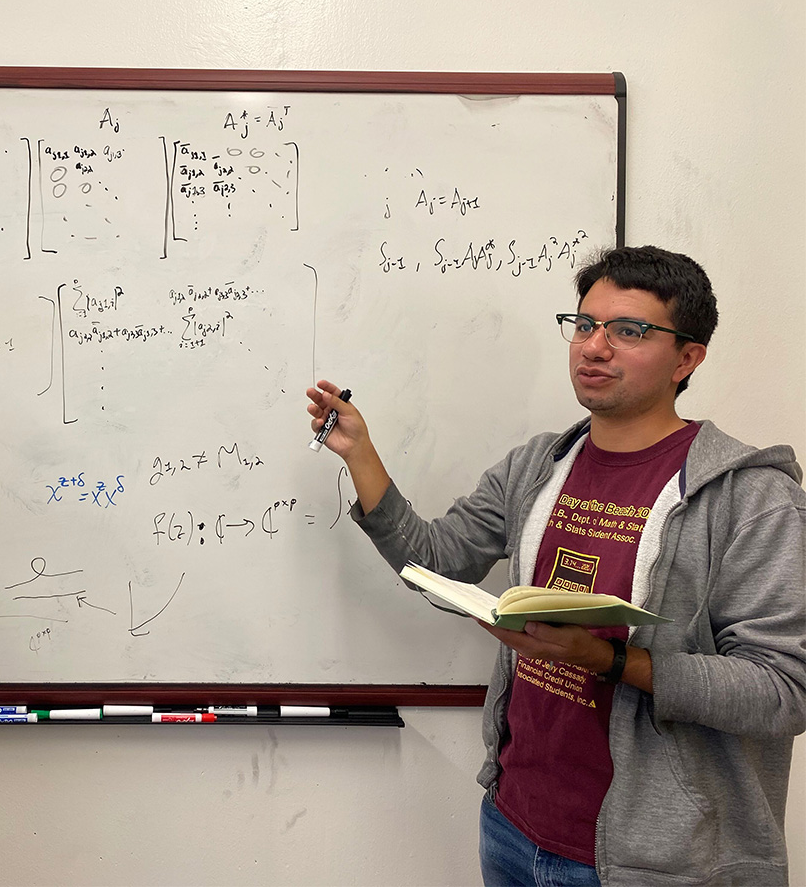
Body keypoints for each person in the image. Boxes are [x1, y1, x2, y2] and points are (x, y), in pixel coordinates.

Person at [306, 245, 805, 886]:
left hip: (661, 863)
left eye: (629, 330)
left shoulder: (750, 497)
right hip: (513, 826)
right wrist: (360, 454)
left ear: (688, 357)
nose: (594, 347)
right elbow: (438, 561)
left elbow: (782, 692)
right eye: (585, 324)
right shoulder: (538, 467)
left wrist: (612, 660)